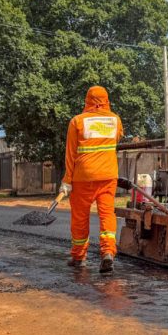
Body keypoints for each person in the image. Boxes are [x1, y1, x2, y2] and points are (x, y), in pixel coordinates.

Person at [60, 85, 123, 273]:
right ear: (106, 100)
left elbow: (70, 155)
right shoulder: (115, 120)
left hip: (83, 178)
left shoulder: (77, 122)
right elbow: (116, 139)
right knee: (107, 215)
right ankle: (108, 253)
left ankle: (79, 257)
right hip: (108, 176)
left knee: (80, 218)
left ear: (87, 101)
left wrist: (67, 180)